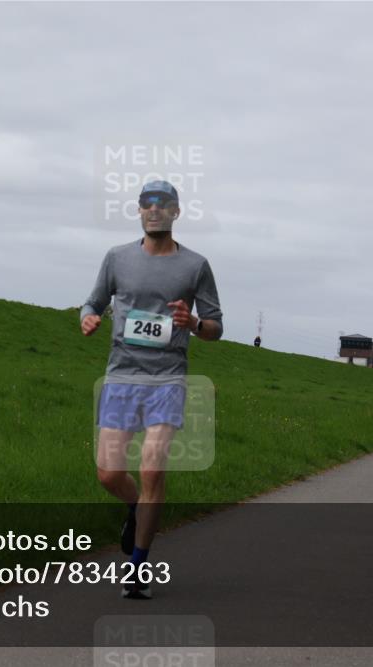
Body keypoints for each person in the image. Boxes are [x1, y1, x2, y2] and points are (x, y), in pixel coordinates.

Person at [80, 180, 223, 600]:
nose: (154, 210)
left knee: (153, 470)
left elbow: (216, 327)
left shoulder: (195, 266)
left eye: (163, 204)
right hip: (122, 375)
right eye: (147, 203)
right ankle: (136, 509)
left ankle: (138, 566)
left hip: (167, 377)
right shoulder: (117, 258)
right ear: (139, 210)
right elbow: (91, 303)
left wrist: (194, 324)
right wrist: (87, 319)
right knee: (107, 473)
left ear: (176, 212)